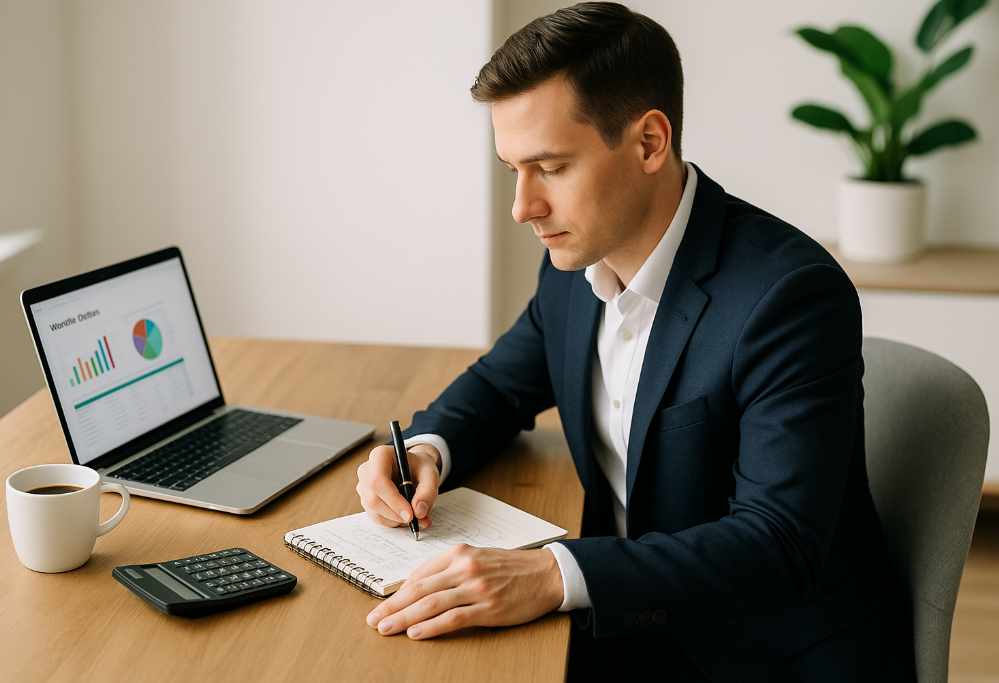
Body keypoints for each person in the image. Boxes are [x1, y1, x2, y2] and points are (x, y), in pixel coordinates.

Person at [354, 3, 914, 680]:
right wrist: (421, 448)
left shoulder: (788, 296)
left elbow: (777, 545)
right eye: (513, 170)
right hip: (624, 621)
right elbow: (503, 382)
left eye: (552, 166)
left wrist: (551, 574)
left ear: (649, 142)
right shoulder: (573, 261)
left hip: (759, 652)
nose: (522, 207)